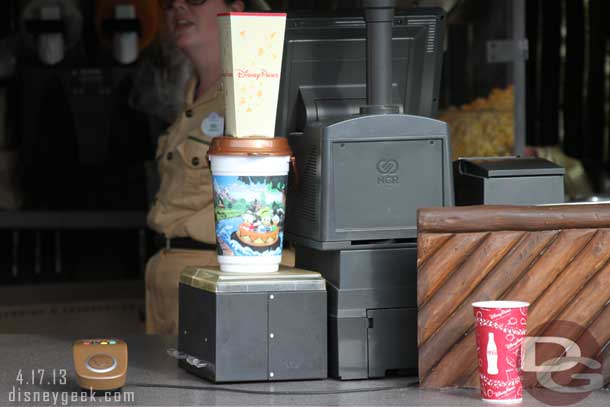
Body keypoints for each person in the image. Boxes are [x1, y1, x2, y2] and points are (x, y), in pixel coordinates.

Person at [146, 0, 294, 335]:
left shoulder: (253, 95)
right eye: (169, 3)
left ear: (234, 9)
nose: (178, 7)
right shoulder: (190, 95)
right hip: (170, 278)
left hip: (215, 276)